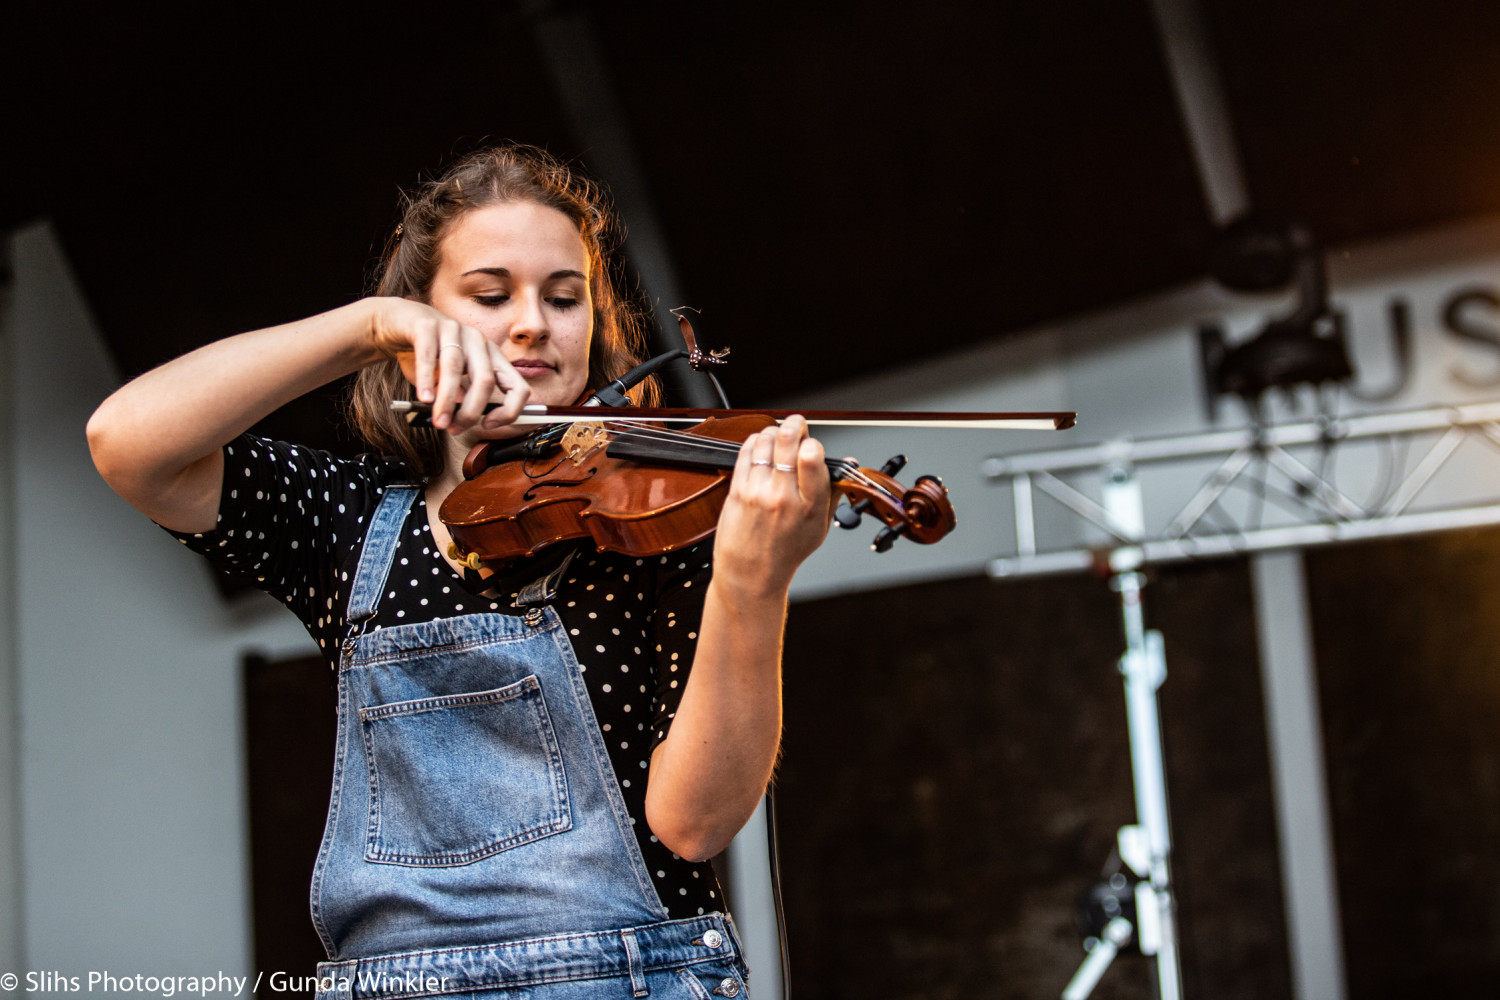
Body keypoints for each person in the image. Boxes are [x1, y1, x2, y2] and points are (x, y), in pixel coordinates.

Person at [86, 143, 833, 1000]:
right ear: (422, 318)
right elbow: (128, 442)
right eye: (489, 296)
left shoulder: (652, 518)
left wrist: (753, 582)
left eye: (564, 298)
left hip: (629, 979)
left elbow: (695, 824)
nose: (531, 324)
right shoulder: (348, 519)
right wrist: (369, 325)